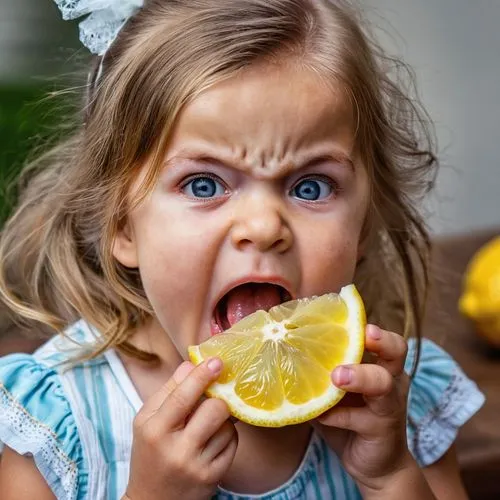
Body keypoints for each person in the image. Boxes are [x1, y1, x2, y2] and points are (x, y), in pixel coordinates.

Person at [0, 0, 485, 499]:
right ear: (120, 224)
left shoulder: (395, 406)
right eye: (204, 185)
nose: (263, 226)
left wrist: (390, 477)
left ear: (364, 227)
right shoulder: (58, 425)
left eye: (311, 187)